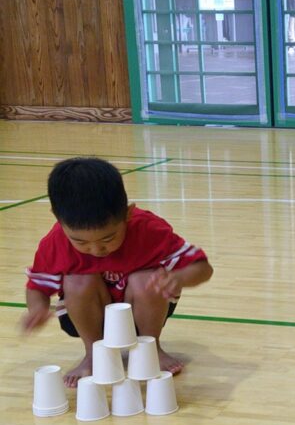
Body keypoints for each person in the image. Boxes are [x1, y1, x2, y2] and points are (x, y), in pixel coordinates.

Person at [22, 157, 214, 388]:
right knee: (77, 281)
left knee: (146, 279)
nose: (95, 249)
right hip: (88, 318)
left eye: (108, 238)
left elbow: (203, 268)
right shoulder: (55, 243)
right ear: (57, 218)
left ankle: (150, 348)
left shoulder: (149, 230)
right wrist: (37, 308)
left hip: (142, 313)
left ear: (128, 214)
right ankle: (94, 353)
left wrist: (178, 278)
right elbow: (37, 287)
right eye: (80, 241)